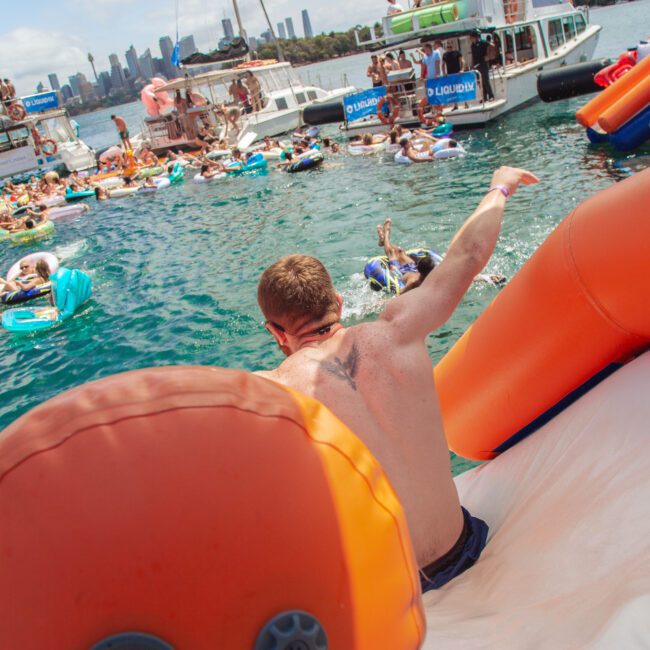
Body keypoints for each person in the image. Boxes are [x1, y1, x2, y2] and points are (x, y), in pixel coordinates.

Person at [255, 166, 539, 592]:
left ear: (276, 332)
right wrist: (502, 185)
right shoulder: (399, 331)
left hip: (398, 586)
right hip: (468, 542)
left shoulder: (272, 390)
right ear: (337, 301)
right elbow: (468, 256)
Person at [376, 218, 434, 294]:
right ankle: (386, 234)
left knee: (396, 252)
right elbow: (400, 294)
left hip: (407, 270)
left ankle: (384, 238)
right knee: (396, 252)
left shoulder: (429, 278)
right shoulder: (413, 281)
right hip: (401, 271)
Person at [443, 41, 468, 111]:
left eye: (450, 47)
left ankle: (466, 103)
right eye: (448, 47)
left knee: (462, 88)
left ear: (453, 46)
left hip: (458, 73)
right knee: (453, 90)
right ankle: (455, 105)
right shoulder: (445, 55)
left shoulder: (457, 53)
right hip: (450, 75)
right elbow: (443, 64)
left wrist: (462, 69)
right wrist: (444, 72)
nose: (449, 48)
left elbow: (462, 61)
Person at [471, 31, 495, 102]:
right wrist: (473, 64)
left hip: (483, 63)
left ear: (475, 37)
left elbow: (492, 45)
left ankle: (491, 96)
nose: (471, 39)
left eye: (472, 37)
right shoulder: (472, 45)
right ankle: (484, 97)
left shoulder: (482, 42)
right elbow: (473, 55)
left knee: (486, 80)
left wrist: (489, 56)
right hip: (477, 64)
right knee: (480, 82)